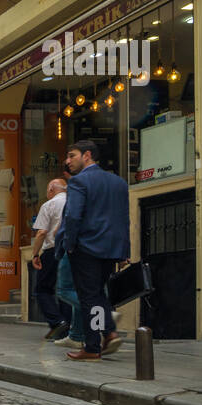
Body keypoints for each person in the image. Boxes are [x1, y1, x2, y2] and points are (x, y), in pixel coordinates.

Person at [56, 139, 130, 361]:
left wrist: (69, 245)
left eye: (72, 156)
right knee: (97, 294)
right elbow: (124, 219)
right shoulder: (119, 183)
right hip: (110, 248)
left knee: (88, 296)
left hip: (87, 247)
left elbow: (73, 216)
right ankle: (106, 334)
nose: (68, 161)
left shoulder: (79, 182)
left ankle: (92, 346)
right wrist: (124, 249)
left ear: (87, 155)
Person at [30, 178, 72, 340]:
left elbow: (41, 233)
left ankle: (57, 322)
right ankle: (66, 328)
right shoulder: (75, 202)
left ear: (51, 190)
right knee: (65, 290)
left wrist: (35, 254)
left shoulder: (49, 205)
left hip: (52, 251)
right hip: (71, 251)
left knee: (42, 289)